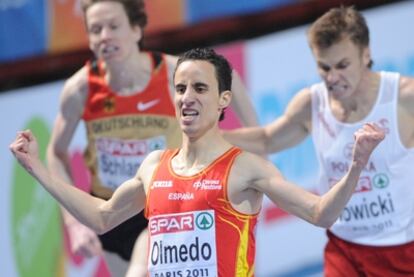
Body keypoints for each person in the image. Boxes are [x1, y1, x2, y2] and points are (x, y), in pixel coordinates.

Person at [11, 47, 384, 276]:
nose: (187, 97)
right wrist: (37, 169)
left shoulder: (245, 167)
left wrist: (356, 166)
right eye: (180, 88)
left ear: (224, 100)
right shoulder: (154, 165)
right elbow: (102, 216)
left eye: (200, 88)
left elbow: (321, 213)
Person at [46, 1, 259, 276]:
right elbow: (55, 153)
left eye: (114, 26)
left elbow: (229, 77)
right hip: (113, 212)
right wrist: (73, 223)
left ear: (136, 30)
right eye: (95, 29)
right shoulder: (81, 89)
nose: (105, 36)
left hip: (165, 205)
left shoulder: (172, 74)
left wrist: (257, 145)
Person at [223, 6, 414, 276]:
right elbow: (267, 139)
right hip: (343, 248)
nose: (332, 77)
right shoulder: (312, 102)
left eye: (342, 65)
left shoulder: (404, 97)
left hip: (402, 252)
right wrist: (212, 136)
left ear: (366, 54)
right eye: (324, 67)